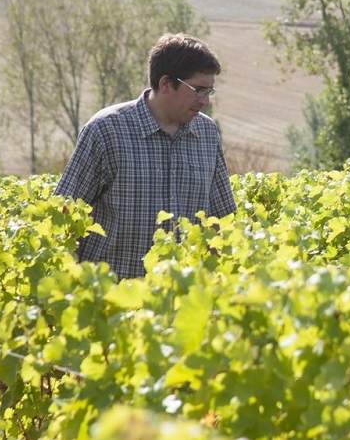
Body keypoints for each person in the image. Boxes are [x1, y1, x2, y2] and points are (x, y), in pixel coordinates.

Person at [55, 33, 235, 278]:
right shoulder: (106, 130)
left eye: (209, 92)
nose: (205, 101)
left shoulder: (207, 134)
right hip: (110, 301)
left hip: (180, 302)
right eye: (198, 90)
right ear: (165, 84)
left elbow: (219, 219)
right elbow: (64, 216)